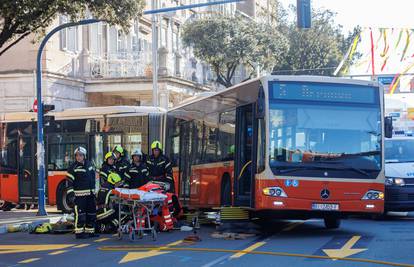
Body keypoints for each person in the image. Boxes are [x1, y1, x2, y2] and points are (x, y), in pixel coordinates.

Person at [66, 146, 98, 239]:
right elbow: (69, 182)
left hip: (90, 195)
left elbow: (94, 179)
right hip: (79, 196)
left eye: (80, 155)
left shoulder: (89, 165)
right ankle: (79, 233)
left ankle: (90, 231)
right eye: (77, 155)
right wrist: (71, 195)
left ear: (84, 156)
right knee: (80, 214)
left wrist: (95, 192)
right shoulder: (73, 167)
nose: (78, 157)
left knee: (91, 213)